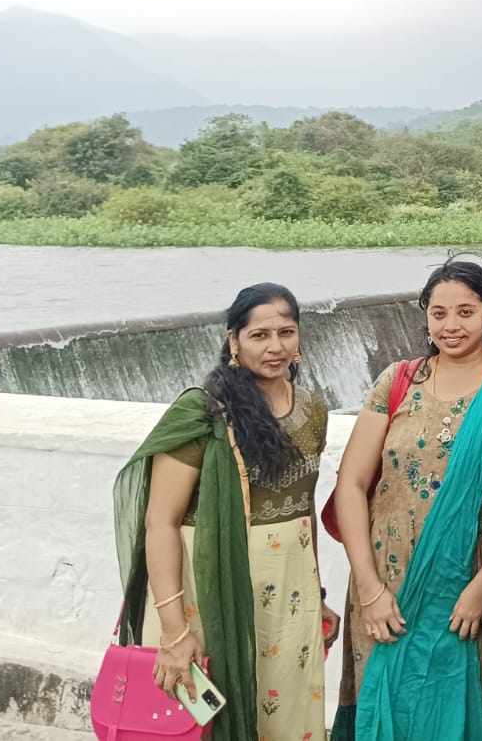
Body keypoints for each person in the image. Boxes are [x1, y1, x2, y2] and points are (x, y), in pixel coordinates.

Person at [331, 259, 482, 741]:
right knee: (384, 702)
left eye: (465, 312)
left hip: (471, 581)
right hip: (385, 582)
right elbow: (351, 483)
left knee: (458, 708)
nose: (451, 325)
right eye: (439, 313)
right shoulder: (397, 381)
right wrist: (368, 587)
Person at [113, 282, 335, 741]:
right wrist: (175, 632)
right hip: (207, 596)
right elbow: (160, 522)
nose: (275, 347)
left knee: (285, 718)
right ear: (234, 340)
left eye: (286, 332)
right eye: (259, 335)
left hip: (289, 598)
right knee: (208, 723)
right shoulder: (203, 413)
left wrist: (317, 593)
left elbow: (304, 511)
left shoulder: (313, 410)